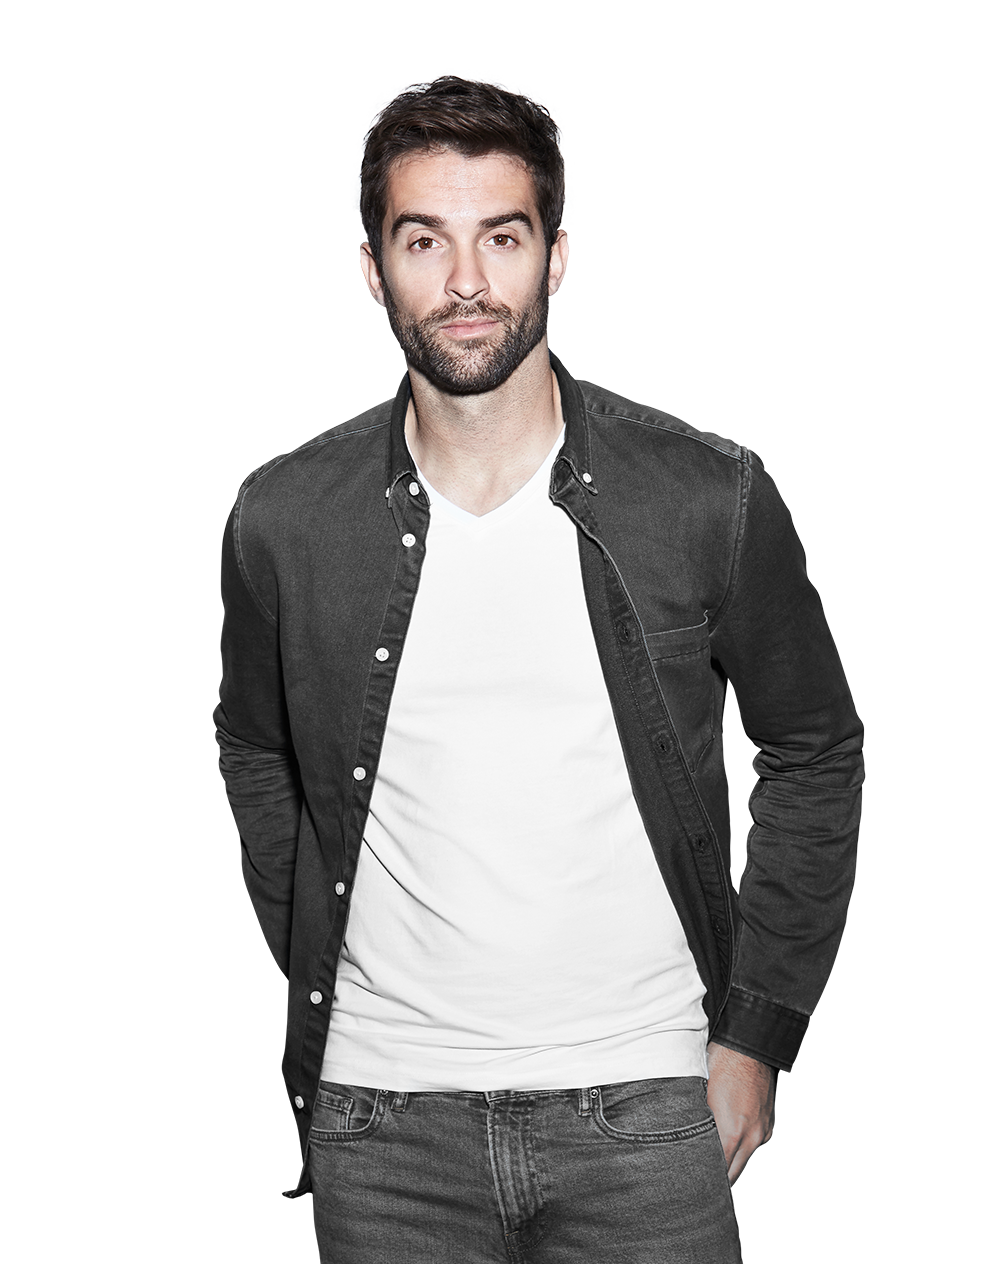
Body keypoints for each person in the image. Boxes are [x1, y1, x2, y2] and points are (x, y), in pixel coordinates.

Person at [216, 75, 864, 1264]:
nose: (466, 281)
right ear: (371, 271)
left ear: (555, 256)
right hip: (381, 1121)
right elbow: (258, 752)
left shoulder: (702, 497)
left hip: (647, 1107)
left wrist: (755, 1032)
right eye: (425, 240)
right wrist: (322, 945)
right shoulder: (285, 520)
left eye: (501, 237)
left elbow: (813, 749)